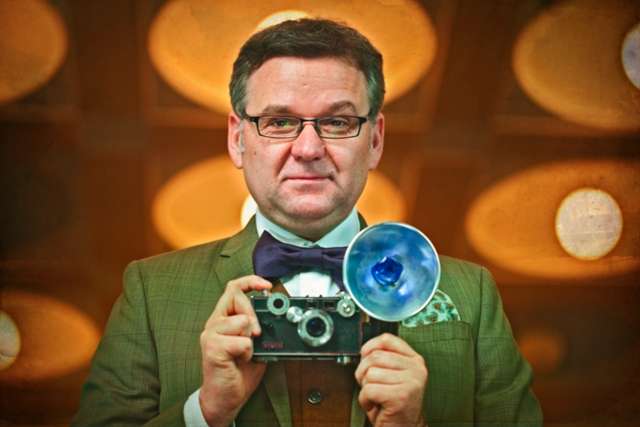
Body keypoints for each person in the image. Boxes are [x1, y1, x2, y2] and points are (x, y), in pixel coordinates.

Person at [73, 18, 542, 427]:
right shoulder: (150, 292)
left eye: (338, 123)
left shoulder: (471, 294)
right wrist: (207, 412)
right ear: (237, 139)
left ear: (375, 140)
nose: (309, 149)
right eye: (279, 122)